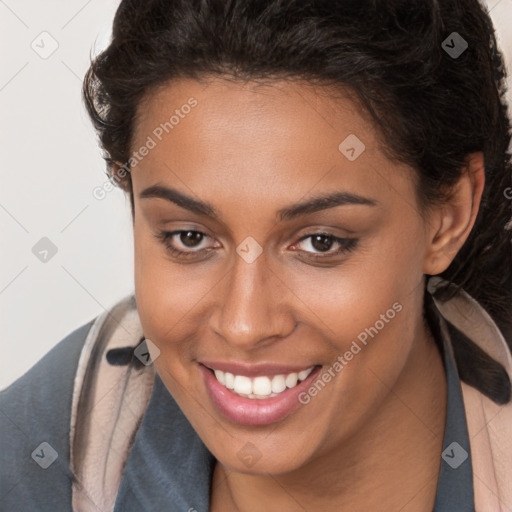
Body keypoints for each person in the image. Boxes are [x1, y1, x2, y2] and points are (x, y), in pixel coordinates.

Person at [1, 0, 512, 510]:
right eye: (190, 237)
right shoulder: (36, 463)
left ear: (448, 215)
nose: (245, 325)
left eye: (320, 242)